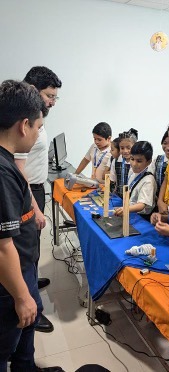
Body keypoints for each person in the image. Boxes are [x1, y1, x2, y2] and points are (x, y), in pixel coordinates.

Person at [0, 80, 64, 372]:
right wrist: (23, 297)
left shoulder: (7, 162)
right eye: (38, 127)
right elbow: (2, 246)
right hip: (9, 283)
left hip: (21, 266)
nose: (39, 133)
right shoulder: (3, 173)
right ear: (24, 125)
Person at [14, 66, 62, 333]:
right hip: (28, 191)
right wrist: (35, 208)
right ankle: (35, 310)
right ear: (33, 89)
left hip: (37, 187)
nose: (52, 102)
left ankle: (32, 283)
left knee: (32, 250)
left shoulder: (36, 114)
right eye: (49, 95)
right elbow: (18, 170)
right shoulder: (23, 119)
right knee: (26, 251)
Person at [114, 141, 156, 219]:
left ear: (149, 162)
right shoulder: (132, 171)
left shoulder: (149, 180)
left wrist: (126, 209)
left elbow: (141, 205)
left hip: (141, 217)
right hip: (129, 211)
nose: (134, 164)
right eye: (132, 159)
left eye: (139, 161)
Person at [110, 128, 138, 198]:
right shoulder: (116, 161)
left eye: (129, 148)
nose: (125, 151)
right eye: (122, 148)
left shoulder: (138, 163)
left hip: (133, 200)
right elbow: (112, 180)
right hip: (118, 198)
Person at [149, 130, 169, 197]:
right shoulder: (157, 160)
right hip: (156, 197)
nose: (168, 148)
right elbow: (150, 176)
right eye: (165, 143)